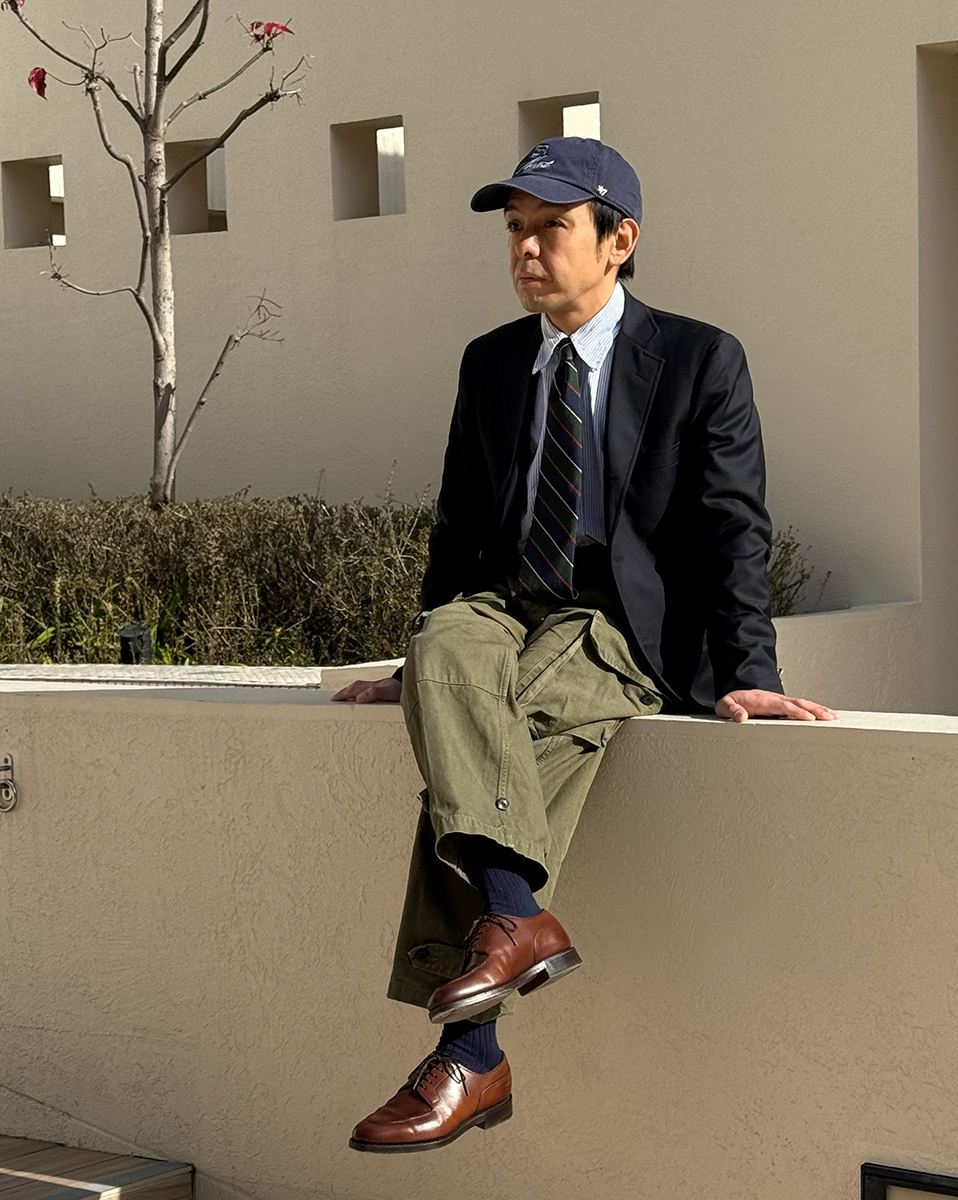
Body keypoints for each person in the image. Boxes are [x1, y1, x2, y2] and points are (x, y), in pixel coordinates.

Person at [331, 135, 838, 1154]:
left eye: (551, 228)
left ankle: (471, 1053)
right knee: (446, 645)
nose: (526, 249)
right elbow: (456, 529)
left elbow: (733, 527)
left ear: (620, 240)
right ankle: (514, 933)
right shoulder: (490, 362)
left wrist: (751, 673)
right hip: (506, 601)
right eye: (515, 229)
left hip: (623, 620)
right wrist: (417, 672)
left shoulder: (698, 359)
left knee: (518, 717)